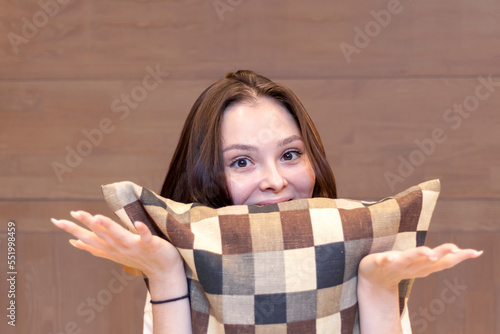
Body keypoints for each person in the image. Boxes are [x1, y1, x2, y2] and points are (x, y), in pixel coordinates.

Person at [52, 70, 482, 334]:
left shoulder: (364, 259)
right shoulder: (186, 270)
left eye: (290, 154)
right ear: (208, 176)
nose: (275, 181)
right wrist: (165, 273)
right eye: (242, 162)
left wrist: (374, 285)